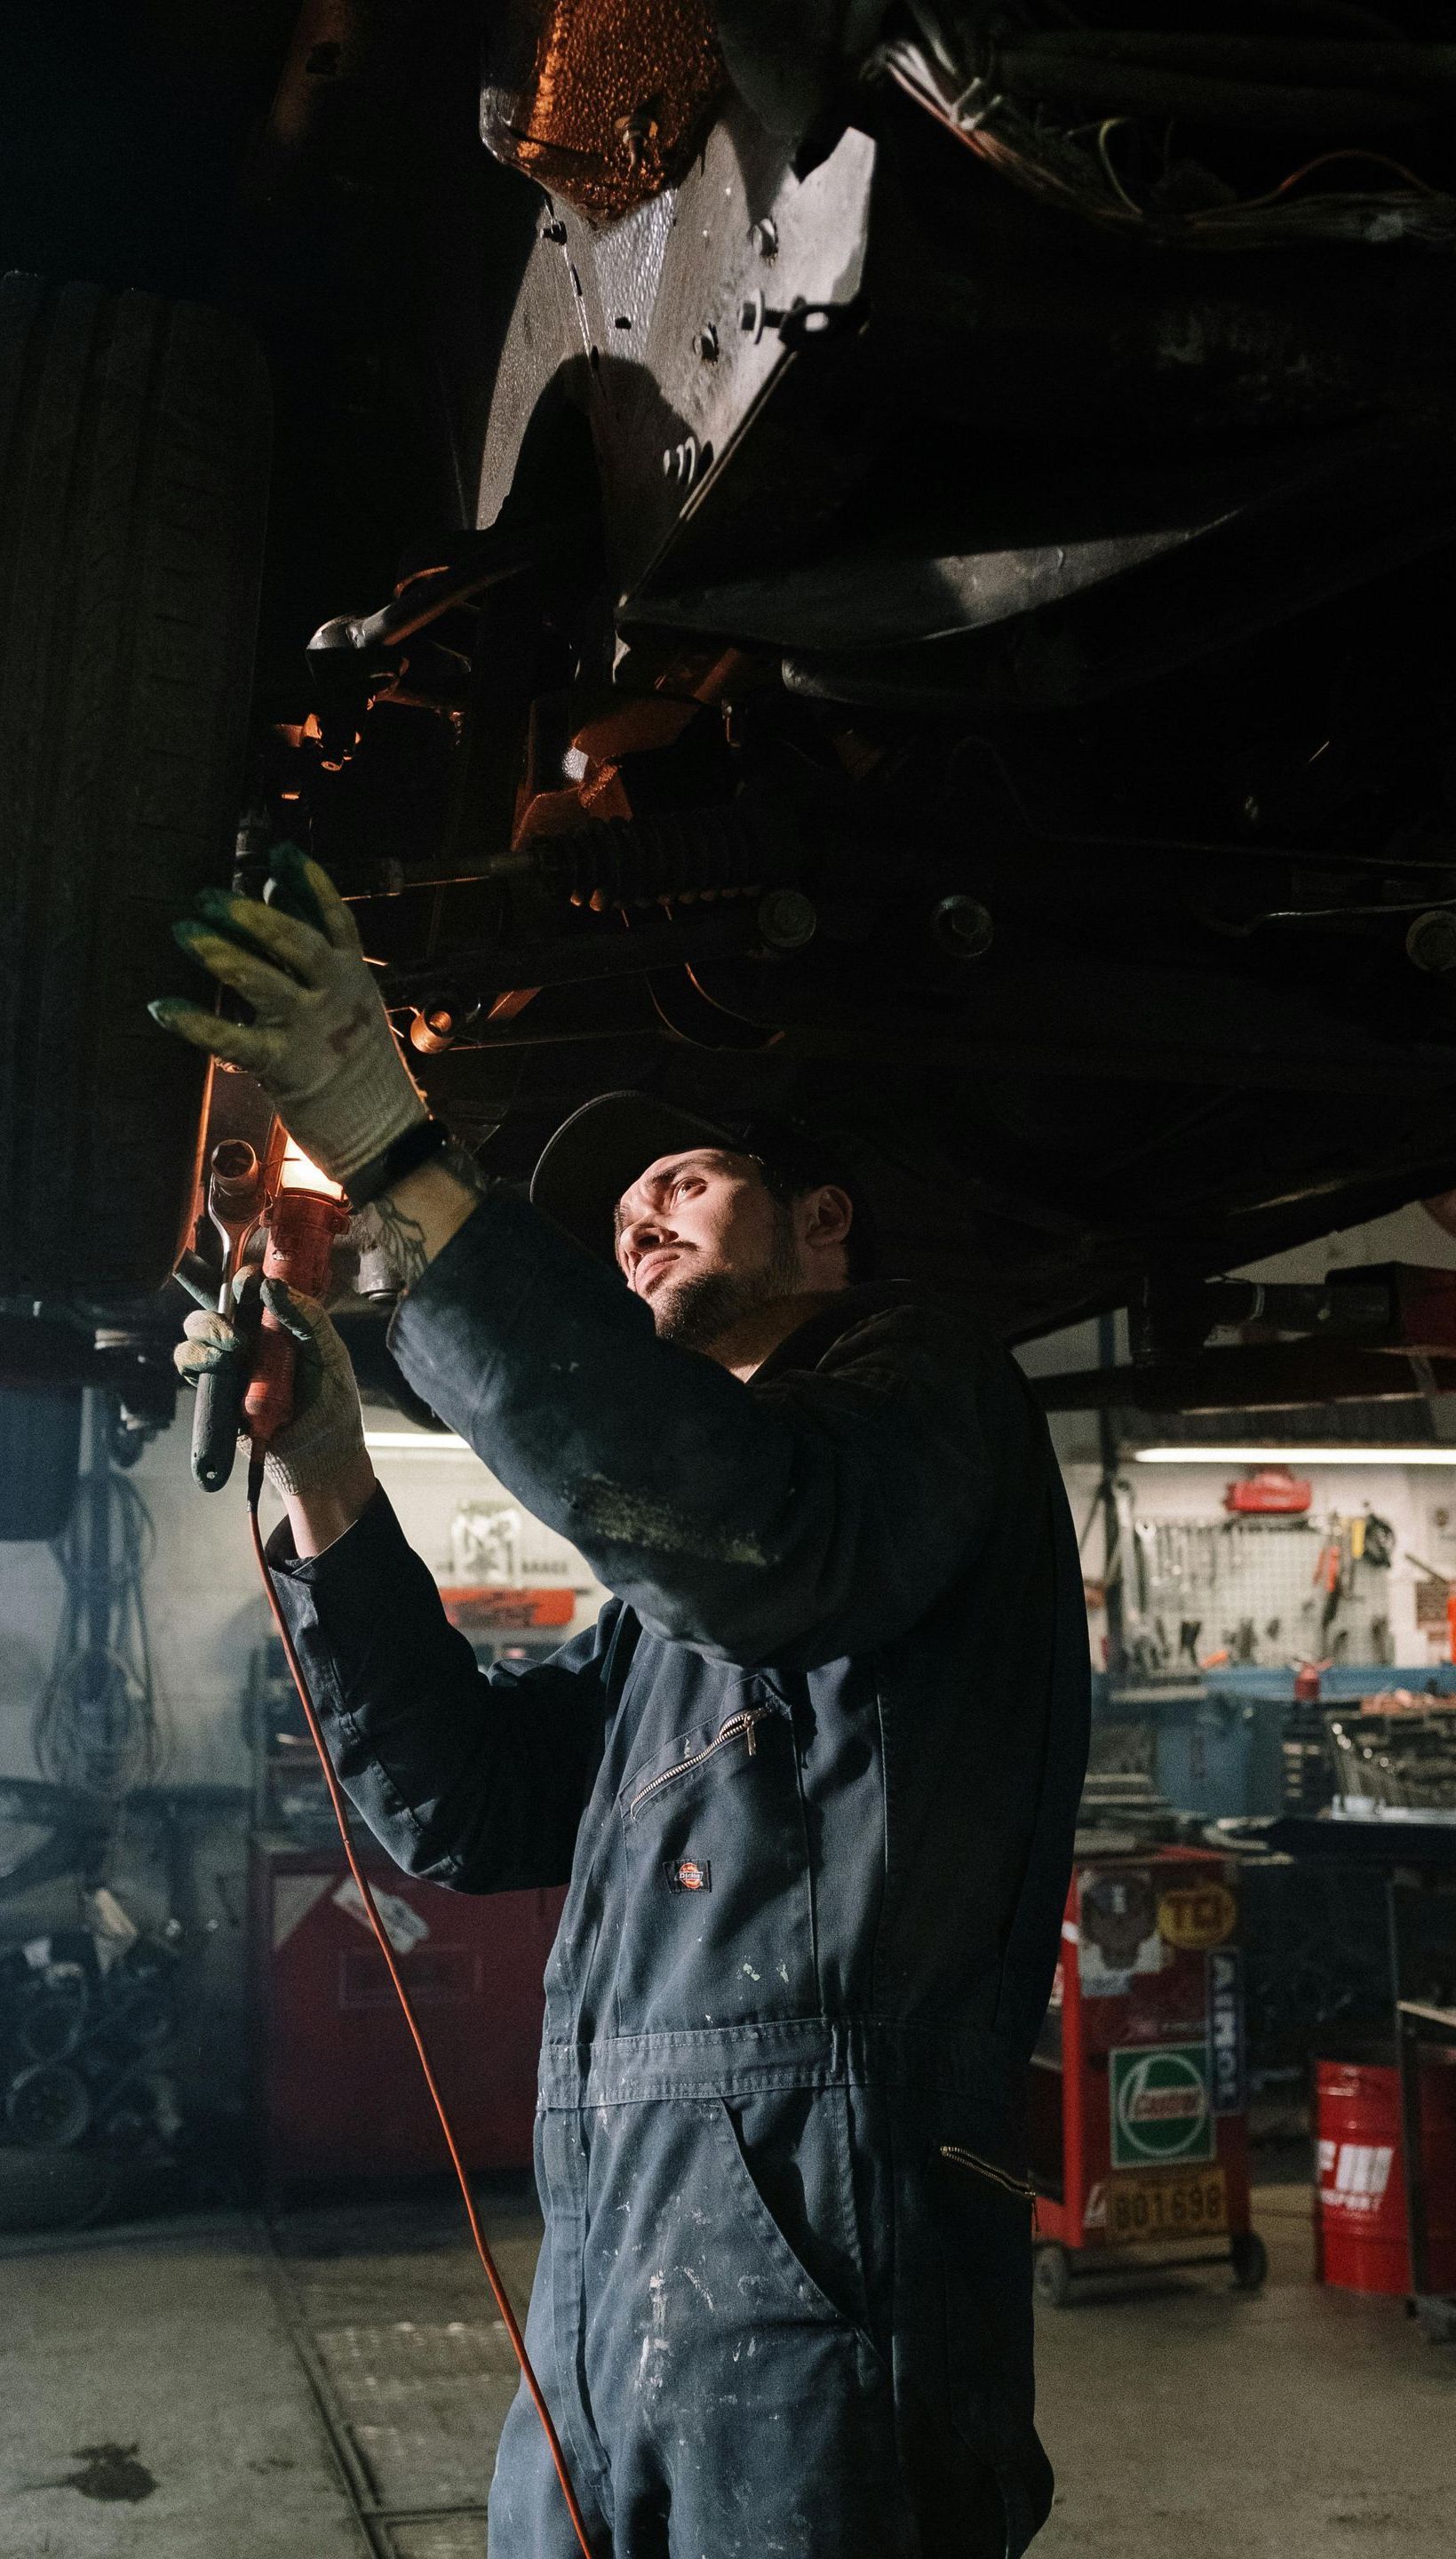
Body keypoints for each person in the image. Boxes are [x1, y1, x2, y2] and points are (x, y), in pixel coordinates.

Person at [152, 848, 1089, 2559]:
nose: (639, 1219)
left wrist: (387, 1134)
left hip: (825, 2304)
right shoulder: (677, 1608)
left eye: (681, 1178)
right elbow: (473, 1802)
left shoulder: (924, 1393)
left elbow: (748, 1535)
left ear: (825, 1221)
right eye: (617, 1216)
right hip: (617, 2302)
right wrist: (329, 1473)